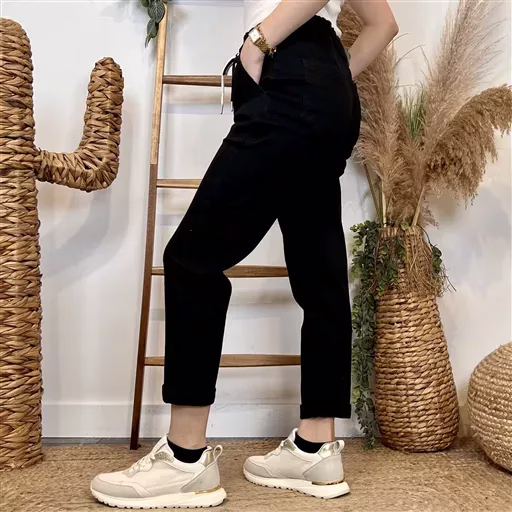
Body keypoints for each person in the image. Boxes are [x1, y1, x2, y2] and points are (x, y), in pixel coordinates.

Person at [91, 0, 398, 508]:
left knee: (192, 259)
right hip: (326, 90)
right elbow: (384, 24)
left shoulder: (270, 44)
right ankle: (315, 447)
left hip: (289, 73)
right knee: (318, 275)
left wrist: (258, 42)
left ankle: (185, 459)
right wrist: (330, 73)